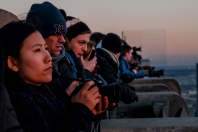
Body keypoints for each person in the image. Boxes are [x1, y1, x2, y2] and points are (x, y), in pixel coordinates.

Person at [0, 19, 106, 132]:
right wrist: (81, 110)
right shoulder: (19, 101)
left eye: (46, 48)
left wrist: (89, 111)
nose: (48, 57)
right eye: (37, 50)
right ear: (13, 62)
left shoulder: (43, 90)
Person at [96, 33, 138, 104]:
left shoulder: (102, 59)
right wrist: (132, 93)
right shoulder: (103, 63)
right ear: (118, 51)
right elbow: (115, 86)